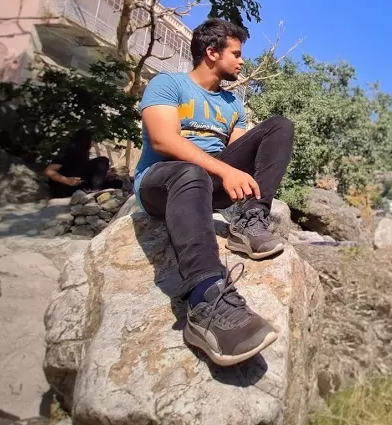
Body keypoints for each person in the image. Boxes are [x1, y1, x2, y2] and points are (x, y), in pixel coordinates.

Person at [134, 18, 294, 367]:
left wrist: (240, 180)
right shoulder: (167, 84)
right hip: (163, 182)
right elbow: (163, 140)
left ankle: (250, 222)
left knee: (279, 126)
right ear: (211, 53)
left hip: (208, 185)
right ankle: (205, 300)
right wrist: (223, 169)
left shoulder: (232, 104)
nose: (241, 61)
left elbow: (243, 157)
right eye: (236, 54)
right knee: (192, 173)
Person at [45, 129, 120, 199]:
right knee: (103, 161)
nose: (92, 144)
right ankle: (95, 190)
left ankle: (95, 190)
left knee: (117, 183)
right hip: (64, 188)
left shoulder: (83, 156)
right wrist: (67, 180)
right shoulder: (69, 154)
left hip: (78, 187)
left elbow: (84, 172)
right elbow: (48, 170)